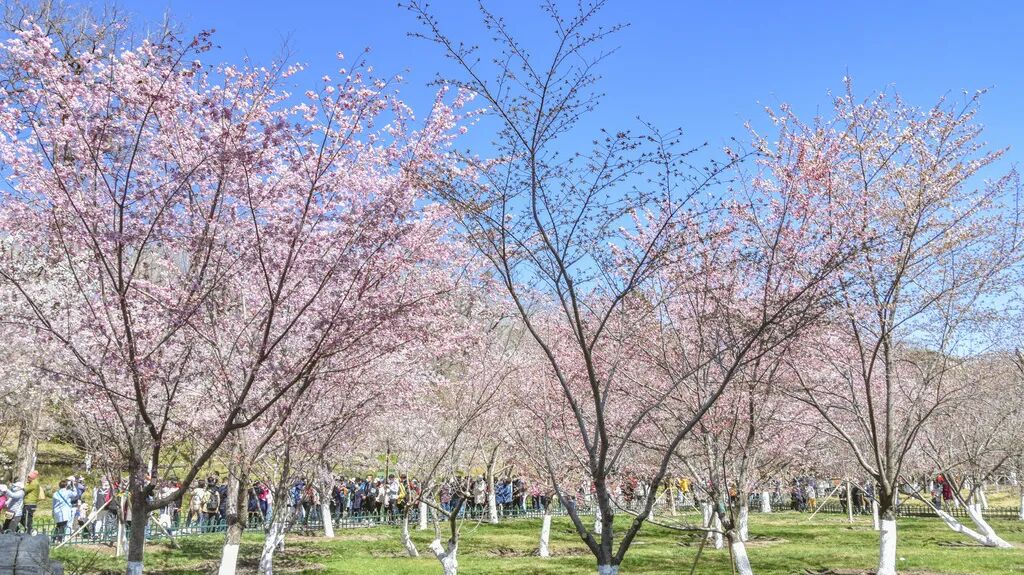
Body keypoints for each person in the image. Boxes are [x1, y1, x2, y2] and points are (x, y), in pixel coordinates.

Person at [22, 470, 43, 534]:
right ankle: (30, 530)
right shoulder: (33, 482)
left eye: (29, 477)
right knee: (28, 518)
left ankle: (30, 531)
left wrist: (27, 483)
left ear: (32, 477)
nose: (27, 478)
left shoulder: (33, 483)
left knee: (26, 518)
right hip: (30, 504)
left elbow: (25, 489)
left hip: (30, 504)